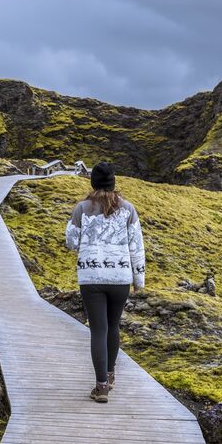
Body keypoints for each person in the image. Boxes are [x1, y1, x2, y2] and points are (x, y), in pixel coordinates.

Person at [65, 161, 145, 403]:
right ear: (113, 182)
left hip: (91, 278)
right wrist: (138, 279)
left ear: (93, 182)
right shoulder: (128, 209)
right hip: (120, 278)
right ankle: (110, 375)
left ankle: (101, 387)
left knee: (98, 329)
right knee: (114, 326)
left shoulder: (81, 208)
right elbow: (137, 247)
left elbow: (72, 243)